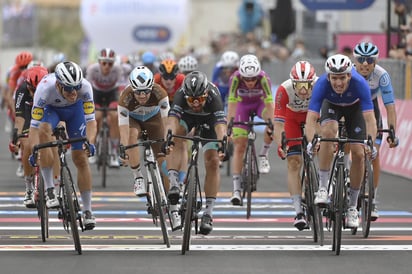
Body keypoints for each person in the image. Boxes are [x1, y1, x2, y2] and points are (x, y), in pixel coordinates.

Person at [305, 54, 377, 229]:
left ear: (349, 75)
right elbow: (311, 118)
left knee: (359, 153)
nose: (338, 83)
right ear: (329, 76)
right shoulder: (321, 84)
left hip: (355, 108)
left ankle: (352, 207)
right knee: (328, 132)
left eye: (342, 78)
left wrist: (371, 143)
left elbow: (370, 119)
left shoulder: (360, 84)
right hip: (331, 106)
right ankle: (323, 186)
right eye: (335, 78)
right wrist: (311, 141)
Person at [28, 61, 97, 230]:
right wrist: (33, 149)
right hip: (52, 110)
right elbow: (34, 127)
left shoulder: (86, 88)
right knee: (44, 132)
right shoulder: (44, 89)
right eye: (68, 88)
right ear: (58, 84)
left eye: (76, 87)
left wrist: (90, 142)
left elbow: (91, 122)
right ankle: (50, 189)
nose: (73, 92)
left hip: (76, 112)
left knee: (80, 158)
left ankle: (88, 210)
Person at [162, 71, 227, 235]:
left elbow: (220, 126)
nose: (196, 104)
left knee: (212, 161)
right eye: (191, 100)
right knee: (176, 137)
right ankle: (174, 182)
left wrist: (223, 144)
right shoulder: (180, 95)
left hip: (209, 120)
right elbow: (171, 121)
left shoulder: (214, 96)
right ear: (186, 96)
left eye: (199, 99)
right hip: (187, 117)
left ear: (206, 94)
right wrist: (168, 136)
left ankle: (208, 213)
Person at [116, 66, 181, 228]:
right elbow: (123, 129)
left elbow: (167, 121)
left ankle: (174, 210)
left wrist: (167, 140)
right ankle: (137, 176)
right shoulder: (125, 97)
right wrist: (124, 147)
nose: (143, 95)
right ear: (132, 89)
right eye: (138, 92)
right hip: (134, 121)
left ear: (152, 87)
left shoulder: (160, 93)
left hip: (155, 121)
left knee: (163, 160)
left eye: (146, 91)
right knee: (131, 137)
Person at [353, 42, 399, 220]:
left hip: (371, 108)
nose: (365, 64)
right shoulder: (349, 72)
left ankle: (372, 200)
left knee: (374, 154)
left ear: (375, 61)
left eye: (369, 60)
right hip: (350, 107)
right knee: (349, 148)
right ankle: (346, 177)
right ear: (355, 61)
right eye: (361, 60)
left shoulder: (382, 75)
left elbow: (390, 107)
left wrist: (392, 132)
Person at [274, 61, 318, 230]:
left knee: (323, 147)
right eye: (299, 85)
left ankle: (320, 184)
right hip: (292, 118)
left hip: (313, 117)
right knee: (293, 162)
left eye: (307, 85)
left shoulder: (320, 85)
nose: (303, 90)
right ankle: (298, 211)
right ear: (293, 83)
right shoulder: (284, 90)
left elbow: (329, 117)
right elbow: (278, 123)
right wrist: (280, 145)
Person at [227, 54, 274, 205]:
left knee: (271, 121)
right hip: (242, 107)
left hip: (259, 104)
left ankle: (263, 155)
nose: (250, 82)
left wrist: (271, 124)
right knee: (239, 144)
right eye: (246, 79)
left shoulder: (264, 79)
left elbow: (269, 102)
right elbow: (232, 103)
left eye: (253, 78)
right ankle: (236, 190)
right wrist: (230, 124)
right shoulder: (235, 79)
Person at [10, 66, 49, 207]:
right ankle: (28, 187)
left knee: (54, 142)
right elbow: (19, 118)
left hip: (47, 115)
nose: (34, 93)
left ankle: (56, 185)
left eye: (37, 90)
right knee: (26, 144)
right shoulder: (22, 90)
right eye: (31, 89)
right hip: (29, 116)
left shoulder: (51, 88)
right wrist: (15, 138)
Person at [86, 48, 123, 167]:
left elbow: (121, 88)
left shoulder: (117, 69)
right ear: (99, 62)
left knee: (114, 116)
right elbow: (87, 87)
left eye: (110, 63)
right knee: (97, 117)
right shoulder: (92, 69)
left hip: (111, 94)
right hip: (96, 93)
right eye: (104, 63)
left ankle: (113, 151)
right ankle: (94, 145)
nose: (107, 66)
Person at [154, 59, 187, 189]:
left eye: (172, 77)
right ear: (160, 76)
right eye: (165, 78)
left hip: (178, 109)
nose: (168, 81)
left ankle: (182, 180)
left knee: (182, 142)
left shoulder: (182, 81)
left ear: (177, 76)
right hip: (161, 110)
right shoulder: (155, 82)